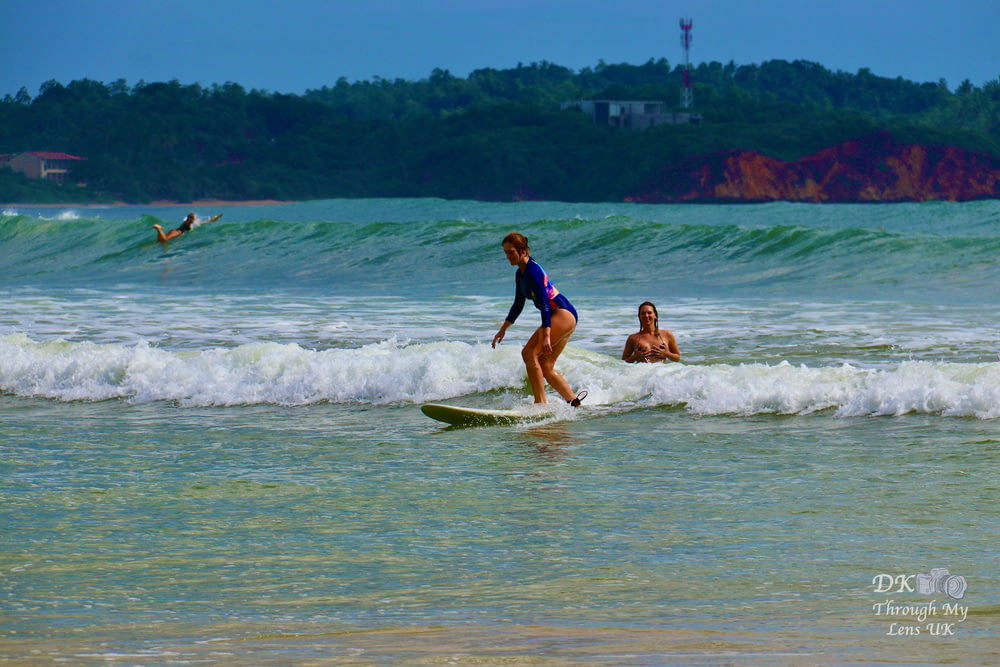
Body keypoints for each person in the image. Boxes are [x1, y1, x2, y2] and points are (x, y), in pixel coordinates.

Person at [492, 232, 587, 406]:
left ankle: (540, 403)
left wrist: (546, 335)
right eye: (505, 252)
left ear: (522, 251)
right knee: (546, 365)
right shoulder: (520, 274)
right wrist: (503, 329)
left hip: (561, 313)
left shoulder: (533, 271)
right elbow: (517, 305)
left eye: (510, 252)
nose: (507, 256)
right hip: (564, 315)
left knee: (528, 353)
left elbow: (544, 303)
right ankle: (574, 403)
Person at [152, 212, 222, 243]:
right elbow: (210, 221)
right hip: (178, 233)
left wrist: (216, 217)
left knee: (161, 241)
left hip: (174, 231)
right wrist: (216, 218)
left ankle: (159, 230)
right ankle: (159, 229)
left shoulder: (186, 221)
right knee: (165, 240)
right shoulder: (192, 223)